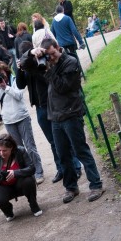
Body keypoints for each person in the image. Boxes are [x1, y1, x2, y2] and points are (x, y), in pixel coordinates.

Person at [38, 39, 105, 204]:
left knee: (80, 150)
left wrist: (49, 69)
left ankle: (96, 184)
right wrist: (34, 52)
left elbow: (63, 87)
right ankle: (71, 187)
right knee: (62, 154)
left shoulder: (71, 62)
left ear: (59, 48)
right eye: (48, 55)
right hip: (55, 116)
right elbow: (25, 63)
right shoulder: (49, 62)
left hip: (71, 114)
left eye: (53, 54)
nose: (51, 58)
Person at [17, 41, 82, 184]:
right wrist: (20, 69)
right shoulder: (27, 64)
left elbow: (50, 81)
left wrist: (39, 66)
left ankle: (76, 167)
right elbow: (20, 85)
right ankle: (61, 169)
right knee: (54, 141)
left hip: (51, 103)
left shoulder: (44, 62)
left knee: (65, 139)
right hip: (39, 106)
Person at [0, 61, 44, 185]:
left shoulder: (15, 79)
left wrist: (5, 87)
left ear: (7, 72)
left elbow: (19, 95)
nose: (1, 77)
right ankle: (25, 173)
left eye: (2, 74)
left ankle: (38, 171)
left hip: (22, 117)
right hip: (8, 121)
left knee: (30, 147)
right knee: (18, 150)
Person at [0, 133, 42, 220]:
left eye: (5, 150)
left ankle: (33, 204)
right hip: (3, 186)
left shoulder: (20, 151)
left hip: (20, 183)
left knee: (29, 181)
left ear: (11, 148)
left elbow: (32, 168)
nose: (1, 153)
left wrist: (16, 173)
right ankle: (8, 211)